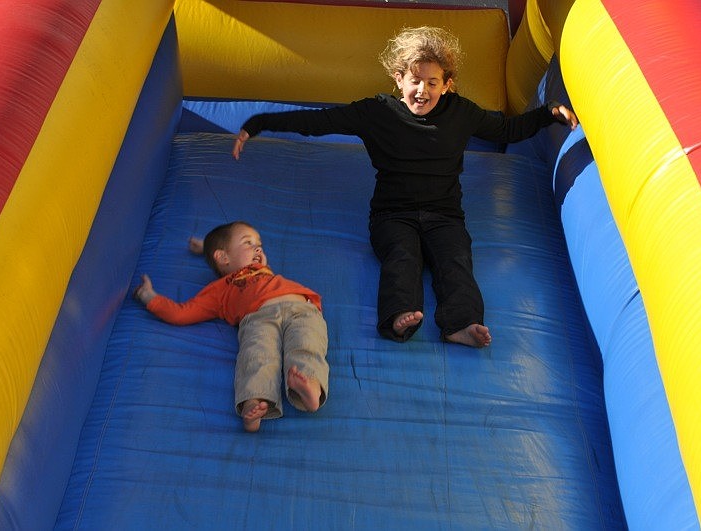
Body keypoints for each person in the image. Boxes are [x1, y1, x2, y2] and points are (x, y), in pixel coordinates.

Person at [231, 26, 578, 348]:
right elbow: (317, 121)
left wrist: (549, 112)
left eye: (432, 82)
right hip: (392, 214)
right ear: (399, 80)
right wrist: (258, 122)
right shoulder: (377, 113)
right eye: (415, 80)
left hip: (445, 214)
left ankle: (461, 324)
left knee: (455, 260)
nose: (422, 91)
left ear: (447, 84)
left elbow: (508, 131)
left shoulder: (461, 113)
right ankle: (399, 317)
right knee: (402, 258)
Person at [133, 221, 329, 433]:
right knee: (257, 356)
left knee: (306, 345)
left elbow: (224, 251)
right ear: (223, 258)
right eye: (249, 243)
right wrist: (148, 297)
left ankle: (311, 390)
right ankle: (253, 404)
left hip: (302, 309)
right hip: (258, 318)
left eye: (259, 244)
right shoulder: (220, 290)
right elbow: (181, 312)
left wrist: (204, 248)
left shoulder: (262, 270)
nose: (258, 248)